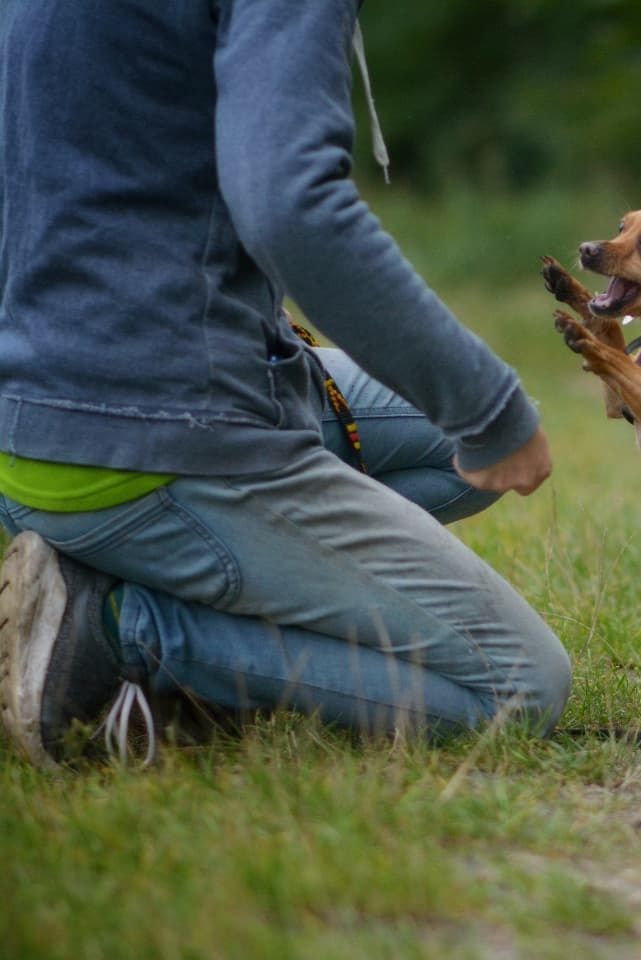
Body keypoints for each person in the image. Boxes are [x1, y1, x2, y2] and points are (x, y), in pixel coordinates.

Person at [0, 0, 571, 769]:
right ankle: (122, 632)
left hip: (41, 417)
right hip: (157, 435)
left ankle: (124, 576)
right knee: (521, 686)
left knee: (452, 444)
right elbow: (293, 206)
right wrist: (489, 409)